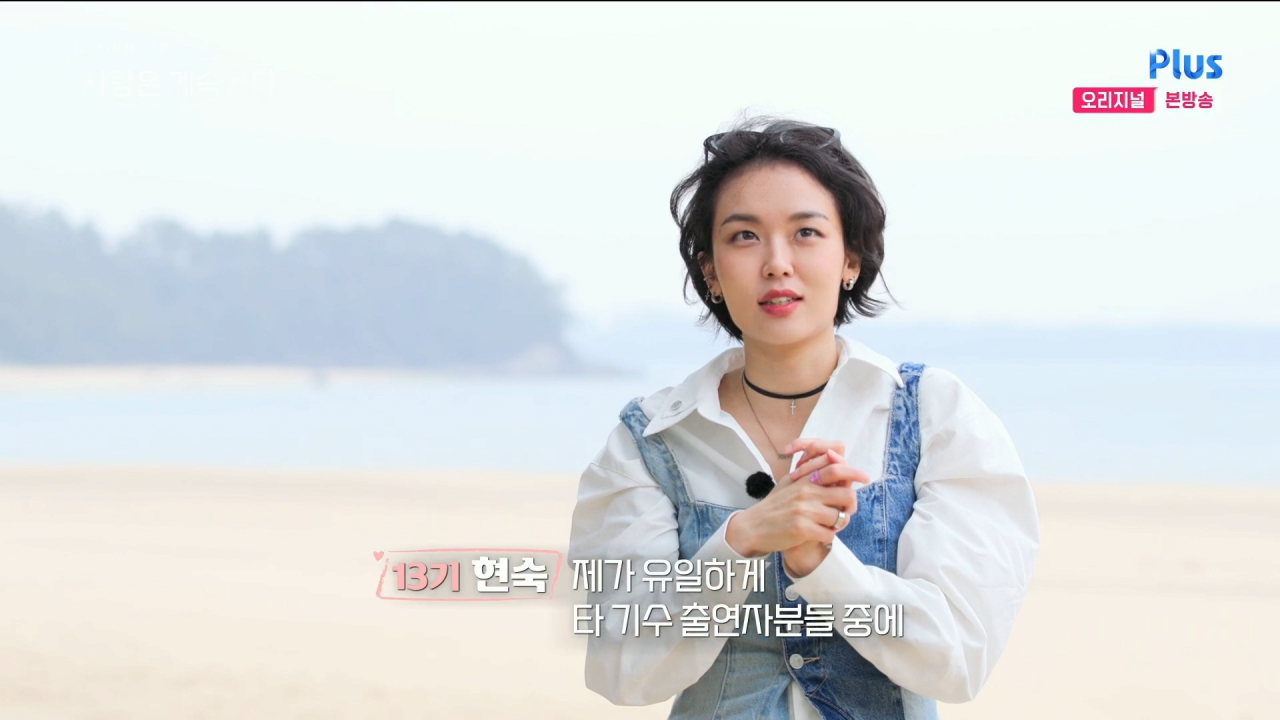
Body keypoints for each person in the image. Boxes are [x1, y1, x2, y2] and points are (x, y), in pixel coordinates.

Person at [567, 117, 1040, 720]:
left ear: (851, 258)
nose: (777, 263)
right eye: (744, 236)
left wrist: (821, 564)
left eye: (807, 232)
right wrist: (738, 543)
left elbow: (957, 659)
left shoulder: (935, 416)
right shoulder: (653, 439)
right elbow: (620, 668)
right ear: (710, 271)